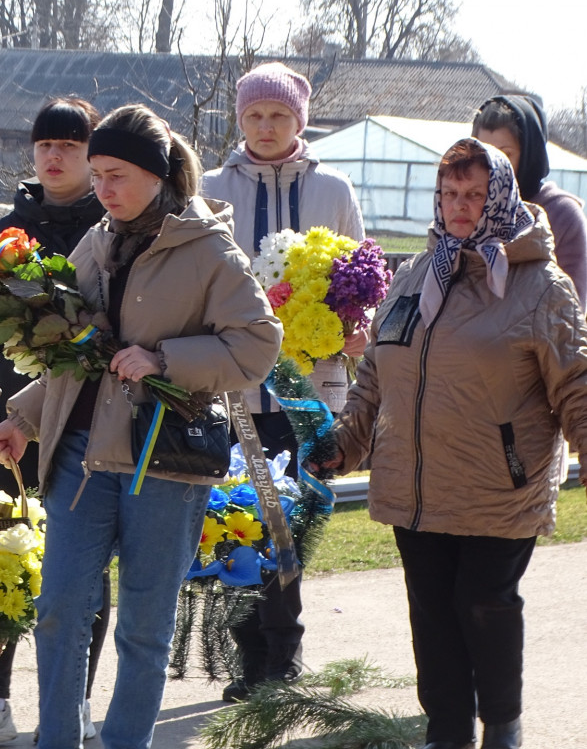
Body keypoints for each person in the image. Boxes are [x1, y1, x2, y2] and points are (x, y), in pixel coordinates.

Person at [0, 104, 283, 749]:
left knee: (144, 630)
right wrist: (23, 420)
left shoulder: (210, 250)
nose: (102, 189)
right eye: (96, 176)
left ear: (156, 173)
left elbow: (259, 346)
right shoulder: (97, 240)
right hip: (79, 458)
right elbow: (79, 356)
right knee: (59, 614)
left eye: (115, 174)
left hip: (164, 464)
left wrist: (165, 360)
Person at [318, 138, 587, 749]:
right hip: (415, 483)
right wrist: (345, 442)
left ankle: (502, 725)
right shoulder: (416, 275)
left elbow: (577, 381)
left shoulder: (540, 285)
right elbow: (375, 377)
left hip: (501, 485)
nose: (460, 207)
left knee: (483, 605)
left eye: (474, 195)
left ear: (499, 197)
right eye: (449, 194)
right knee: (432, 615)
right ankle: (447, 733)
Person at [0, 97, 111, 746]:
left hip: (88, 427)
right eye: (44, 144)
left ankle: (75, 706)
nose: (54, 155)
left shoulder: (111, 229)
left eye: (68, 144)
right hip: (9, 429)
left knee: (81, 569)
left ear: (91, 154)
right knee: (0, 562)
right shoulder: (6, 234)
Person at [200, 60, 366, 702]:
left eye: (279, 115)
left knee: (291, 520)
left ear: (301, 120)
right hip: (233, 386)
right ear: (239, 120)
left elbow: (361, 279)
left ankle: (285, 656)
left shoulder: (334, 190)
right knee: (237, 518)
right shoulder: (212, 186)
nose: (266, 127)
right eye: (253, 115)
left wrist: (357, 328)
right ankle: (250, 659)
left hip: (308, 389)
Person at [472, 94, 587, 305]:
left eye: (505, 154)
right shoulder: (468, 207)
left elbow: (571, 311)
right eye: (484, 154)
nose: (493, 166)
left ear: (528, 156)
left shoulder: (563, 215)